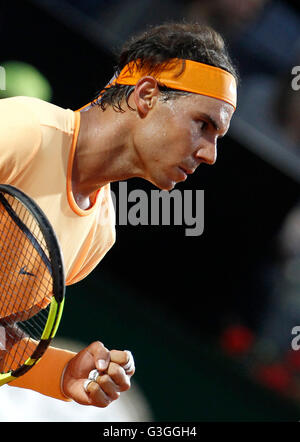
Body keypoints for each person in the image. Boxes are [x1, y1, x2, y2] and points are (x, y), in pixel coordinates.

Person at [0, 22, 238, 408]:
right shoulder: (24, 131)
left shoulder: (100, 232)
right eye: (203, 125)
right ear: (147, 94)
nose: (210, 154)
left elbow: (0, 342)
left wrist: (61, 372)